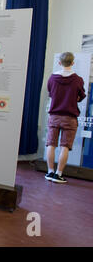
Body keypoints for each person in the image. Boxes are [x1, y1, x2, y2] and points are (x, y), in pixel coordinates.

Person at [45, 52, 86, 183]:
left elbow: (51, 94)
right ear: (73, 63)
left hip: (54, 116)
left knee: (51, 144)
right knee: (65, 146)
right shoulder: (78, 80)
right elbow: (80, 97)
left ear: (59, 62)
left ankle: (50, 172)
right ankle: (59, 174)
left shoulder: (52, 78)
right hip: (70, 117)